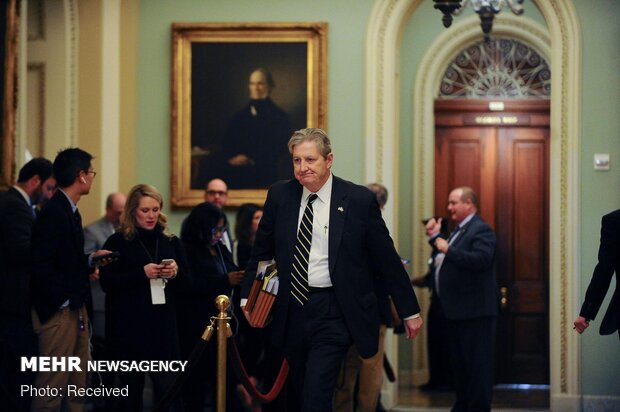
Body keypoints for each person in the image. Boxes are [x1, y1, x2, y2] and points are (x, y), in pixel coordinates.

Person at [241, 128, 423, 411]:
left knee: (317, 393)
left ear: (329, 160)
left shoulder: (358, 200)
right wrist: (247, 299)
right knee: (301, 391)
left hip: (334, 311)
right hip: (291, 310)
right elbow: (261, 254)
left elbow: (386, 258)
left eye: (310, 160)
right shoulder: (280, 195)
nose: (303, 168)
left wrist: (409, 311)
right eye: (297, 161)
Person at [30, 148, 110, 412]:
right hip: (59, 310)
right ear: (81, 176)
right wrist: (62, 301)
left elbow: (64, 259)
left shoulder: (70, 210)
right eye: (91, 172)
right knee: (52, 386)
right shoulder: (55, 211)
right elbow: (40, 264)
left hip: (75, 307)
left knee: (77, 384)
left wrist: (89, 260)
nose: (92, 177)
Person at [98, 184, 186, 412]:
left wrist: (175, 272)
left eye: (156, 210)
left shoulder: (170, 241)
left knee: (168, 395)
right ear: (132, 211)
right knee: (129, 397)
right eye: (145, 210)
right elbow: (107, 282)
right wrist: (141, 273)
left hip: (162, 330)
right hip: (129, 330)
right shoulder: (117, 242)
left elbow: (188, 284)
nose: (151, 216)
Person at [426, 187, 498, 412]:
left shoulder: (481, 230)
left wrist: (446, 248)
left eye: (453, 203)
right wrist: (435, 238)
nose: (449, 208)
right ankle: (463, 405)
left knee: (477, 368)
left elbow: (481, 260)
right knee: (460, 367)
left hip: (475, 313)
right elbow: (449, 254)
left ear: (469, 204)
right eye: (449, 203)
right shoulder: (459, 230)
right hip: (457, 312)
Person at [333, 182, 394, 412]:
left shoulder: (352, 225)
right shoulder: (363, 226)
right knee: (361, 373)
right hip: (362, 310)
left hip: (366, 310)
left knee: (356, 373)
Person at [179, 201, 245, 411]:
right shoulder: (186, 249)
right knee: (196, 385)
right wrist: (225, 281)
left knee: (226, 381)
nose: (219, 234)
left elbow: (231, 270)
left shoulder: (219, 248)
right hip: (198, 325)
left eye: (222, 229)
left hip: (224, 325)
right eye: (215, 229)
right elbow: (188, 285)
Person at [0, 157, 52, 412]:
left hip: (14, 305)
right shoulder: (15, 206)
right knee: (16, 377)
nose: (48, 195)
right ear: (35, 181)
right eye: (49, 188)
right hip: (13, 305)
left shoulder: (16, 204)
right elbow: (21, 251)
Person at [222, 68, 292, 189]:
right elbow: (227, 143)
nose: (256, 87)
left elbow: (281, 148)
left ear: (269, 87)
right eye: (252, 83)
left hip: (265, 170)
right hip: (236, 169)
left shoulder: (280, 117)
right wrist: (233, 158)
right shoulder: (239, 116)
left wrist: (251, 159)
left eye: (260, 83)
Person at [411, 217, 453, 392]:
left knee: (443, 344)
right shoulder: (435, 250)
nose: (427, 231)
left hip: (446, 305)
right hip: (437, 303)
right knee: (435, 343)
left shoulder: (445, 246)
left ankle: (444, 382)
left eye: (430, 228)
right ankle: (436, 380)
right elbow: (431, 277)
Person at [573, 209, 620, 338]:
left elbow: (604, 270)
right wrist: (586, 312)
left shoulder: (614, 220)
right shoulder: (614, 221)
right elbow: (604, 270)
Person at [204, 178, 234, 252]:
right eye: (212, 193)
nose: (216, 197)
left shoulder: (223, 220)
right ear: (205, 196)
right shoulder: (196, 221)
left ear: (226, 197)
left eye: (221, 193)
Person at [233, 203, 263, 269]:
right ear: (247, 221)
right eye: (257, 218)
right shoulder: (238, 246)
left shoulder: (265, 243)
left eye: (262, 217)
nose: (262, 221)